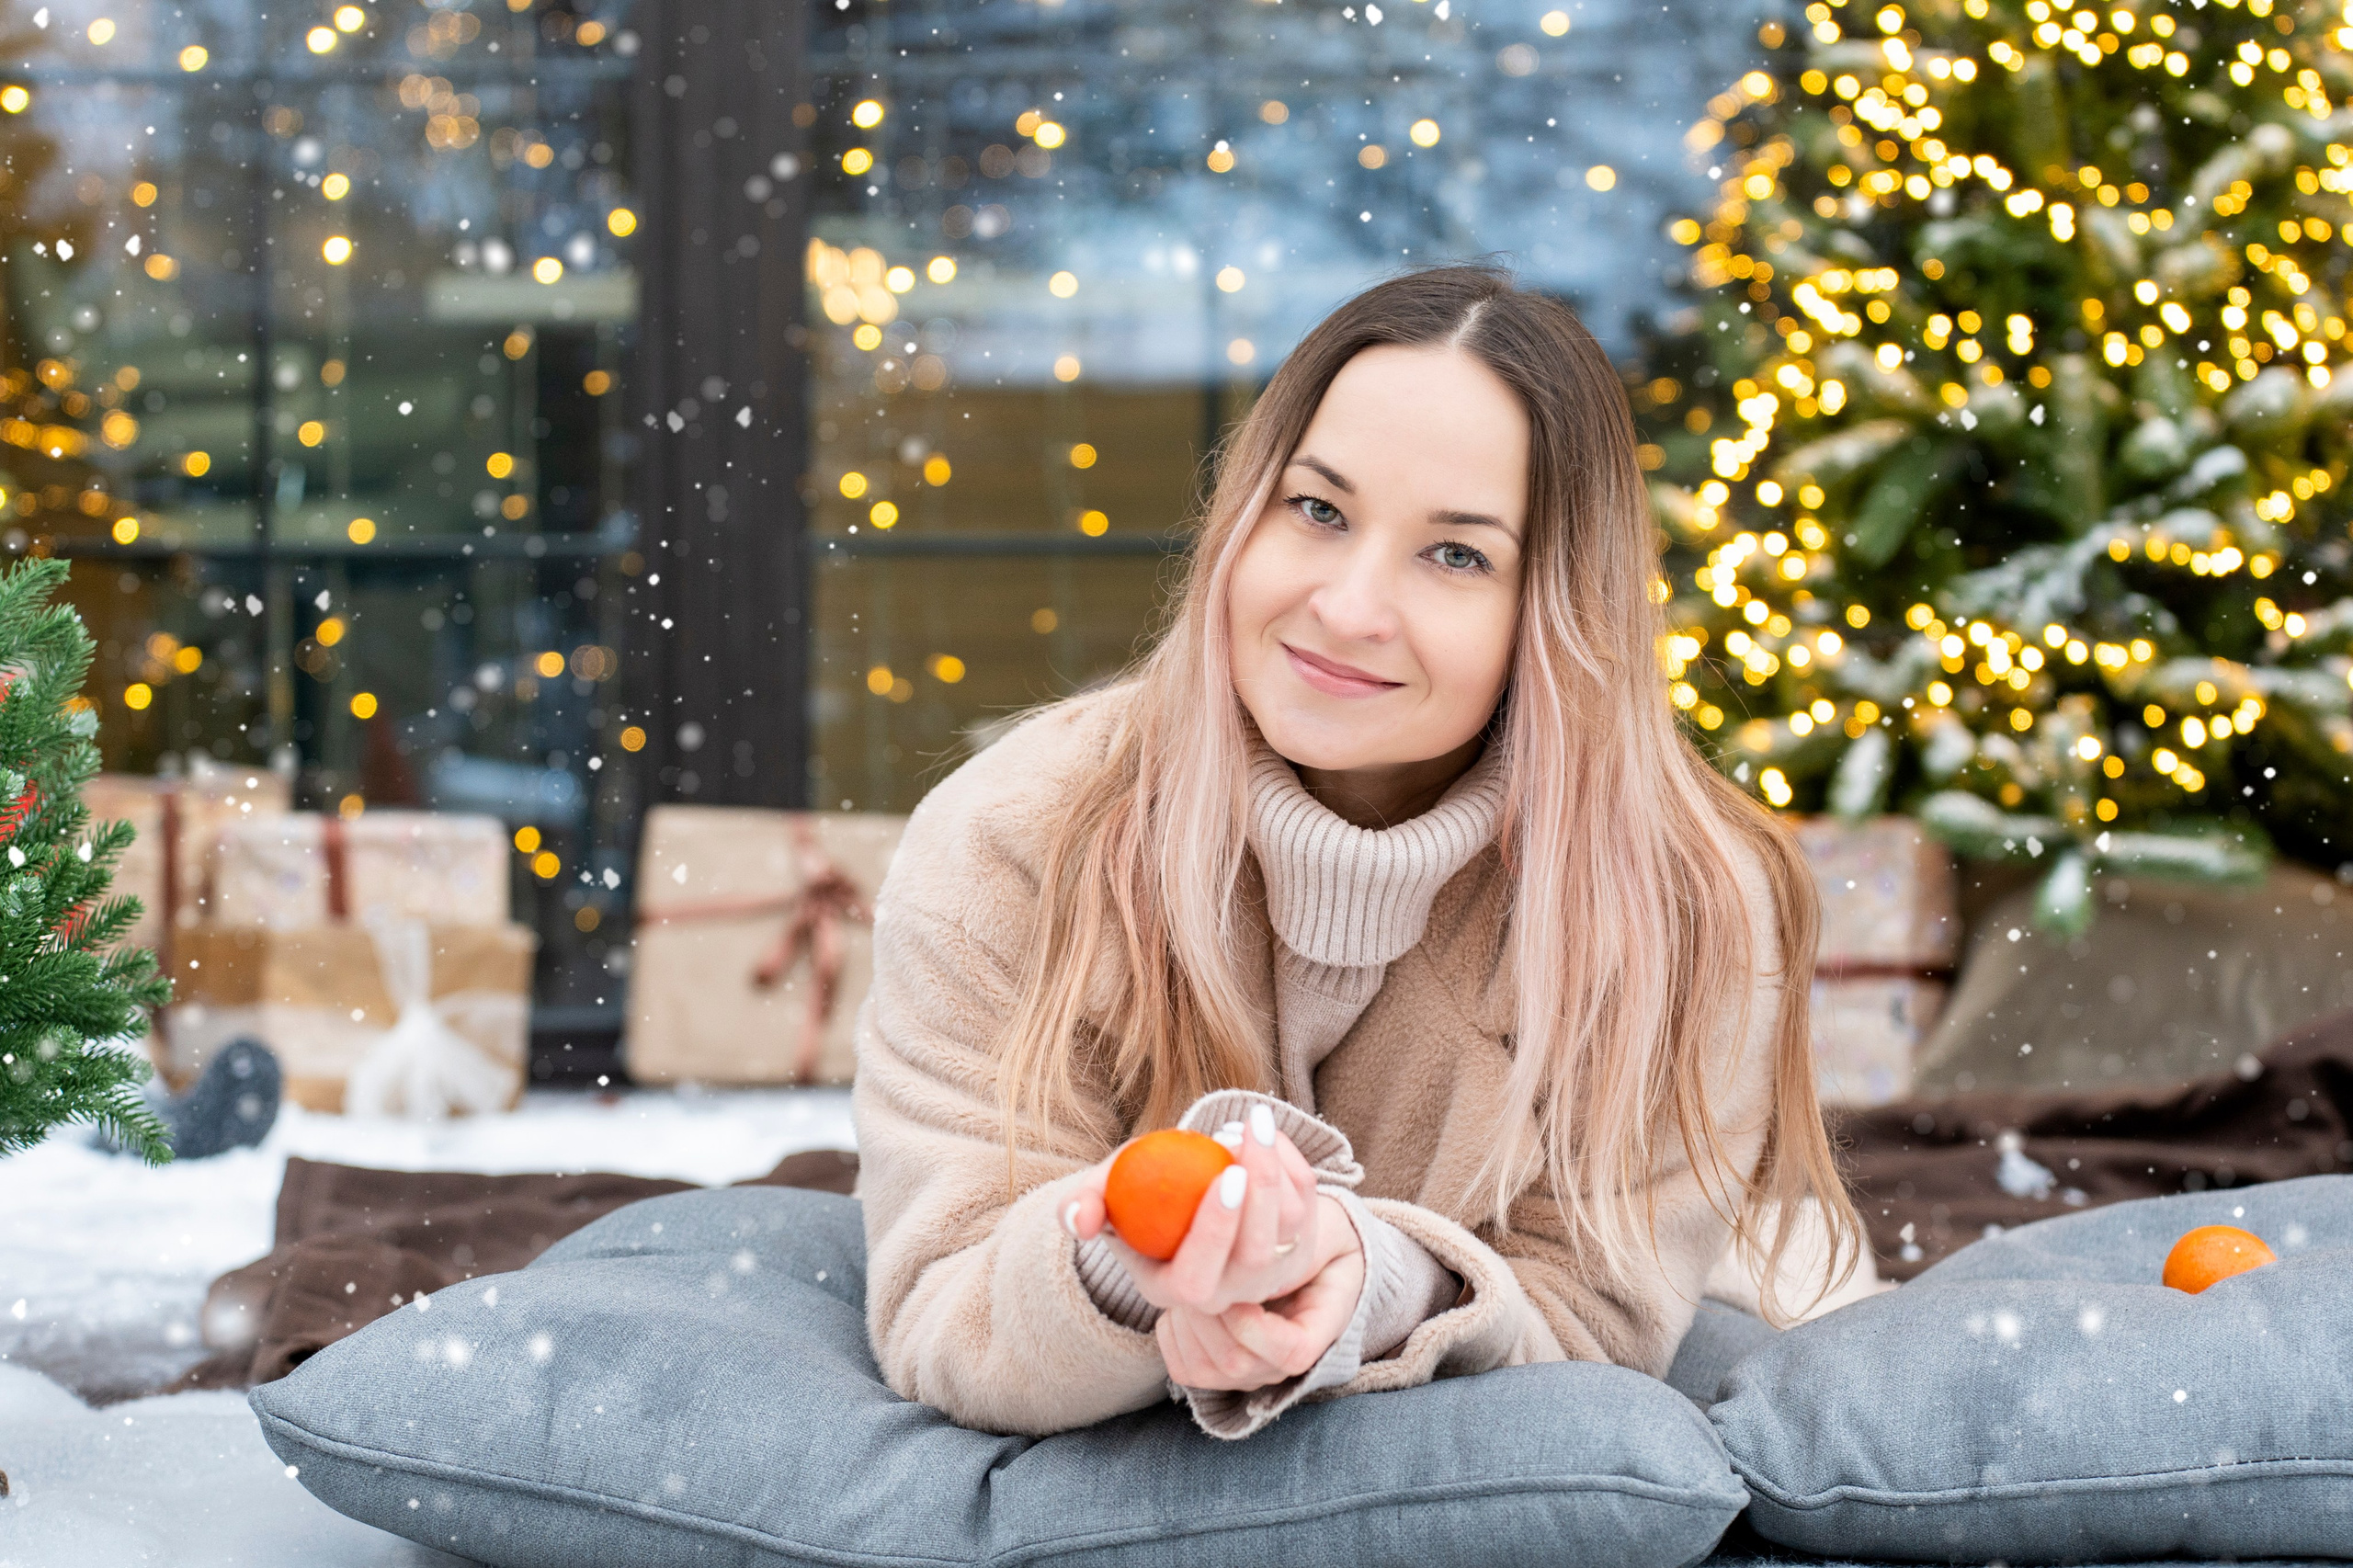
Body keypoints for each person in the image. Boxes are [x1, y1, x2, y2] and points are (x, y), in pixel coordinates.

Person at [852, 262, 1860, 1440]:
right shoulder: (1010, 837)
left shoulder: (1682, 903)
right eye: (1317, 510)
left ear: (1555, 608)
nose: (1347, 606)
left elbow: (1593, 1322)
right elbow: (942, 1306)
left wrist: (1367, 1279)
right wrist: (1147, 1268)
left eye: (1456, 555)